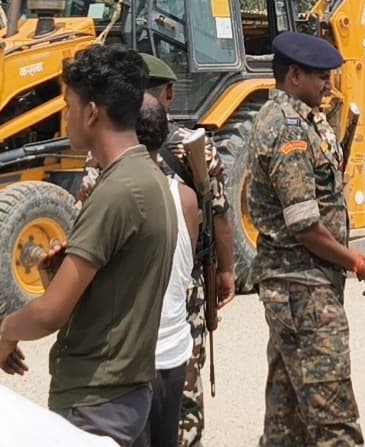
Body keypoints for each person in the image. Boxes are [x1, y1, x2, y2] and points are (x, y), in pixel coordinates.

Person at [0, 44, 176, 447]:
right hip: (124, 392)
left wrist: (8, 332)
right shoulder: (148, 177)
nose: (64, 115)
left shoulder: (116, 192)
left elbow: (49, 314)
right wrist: (55, 278)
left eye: (68, 103)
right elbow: (111, 298)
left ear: (92, 112)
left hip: (95, 401)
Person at [78, 52, 235, 447]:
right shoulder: (197, 147)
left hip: (124, 295)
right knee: (183, 389)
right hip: (184, 292)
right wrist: (226, 273)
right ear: (168, 93)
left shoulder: (104, 152)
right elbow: (219, 216)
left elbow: (86, 219)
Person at [247, 31, 365, 447]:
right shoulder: (288, 130)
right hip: (303, 290)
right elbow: (305, 226)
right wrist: (356, 262)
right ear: (294, 74)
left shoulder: (299, 118)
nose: (327, 85)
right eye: (320, 77)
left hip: (298, 288)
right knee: (333, 417)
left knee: (286, 420)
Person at [136, 93, 202, 447]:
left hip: (133, 363)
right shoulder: (187, 198)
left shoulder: (117, 195)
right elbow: (183, 267)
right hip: (175, 354)